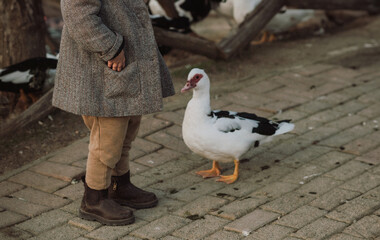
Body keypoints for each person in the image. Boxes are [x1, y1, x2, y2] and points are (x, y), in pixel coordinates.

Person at [52, 0, 175, 225]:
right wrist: (111, 47)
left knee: (128, 125)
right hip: (102, 63)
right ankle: (94, 198)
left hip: (124, 61)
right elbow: (78, 14)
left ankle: (120, 185)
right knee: (107, 134)